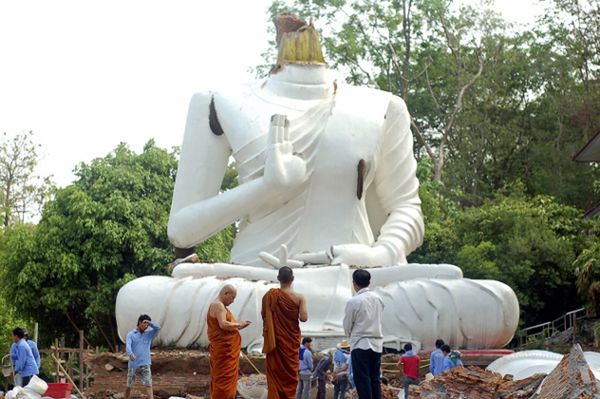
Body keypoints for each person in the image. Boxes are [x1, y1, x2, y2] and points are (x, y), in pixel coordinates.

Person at [262, 266, 309, 399]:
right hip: (290, 343)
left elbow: (265, 317)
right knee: (289, 375)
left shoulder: (270, 296)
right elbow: (304, 318)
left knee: (275, 375)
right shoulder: (299, 297)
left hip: (275, 342)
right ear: (292, 279)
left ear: (278, 279)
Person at [343, 269, 384, 399]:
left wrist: (351, 335)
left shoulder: (353, 301)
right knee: (375, 378)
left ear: (354, 283)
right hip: (377, 343)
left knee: (362, 380)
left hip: (360, 343)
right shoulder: (378, 299)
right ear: (369, 282)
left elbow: (347, 325)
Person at [207, 284, 252, 399]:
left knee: (226, 379)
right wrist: (240, 324)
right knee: (223, 379)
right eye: (232, 298)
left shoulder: (220, 306)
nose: (232, 301)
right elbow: (223, 324)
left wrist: (238, 326)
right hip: (223, 352)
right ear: (225, 293)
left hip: (226, 351)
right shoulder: (218, 305)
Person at [125, 315, 161, 399]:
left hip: (145, 363)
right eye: (144, 323)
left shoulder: (148, 335)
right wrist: (130, 353)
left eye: (147, 325)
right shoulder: (131, 334)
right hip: (133, 364)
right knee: (129, 385)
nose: (146, 326)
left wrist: (150, 323)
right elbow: (128, 345)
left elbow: (158, 328)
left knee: (149, 385)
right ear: (139, 323)